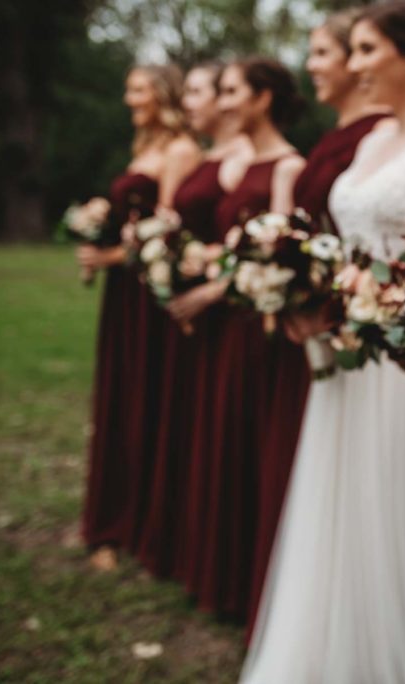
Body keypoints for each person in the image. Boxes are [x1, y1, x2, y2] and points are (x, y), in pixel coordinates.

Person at [241, 2, 405, 681]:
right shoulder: (372, 141)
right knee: (336, 499)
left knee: (392, 501)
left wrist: (395, 310)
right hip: (352, 352)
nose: (353, 65)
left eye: (366, 50)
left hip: (403, 362)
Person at [247, 9, 390, 634]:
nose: (314, 65)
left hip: (359, 319)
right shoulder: (335, 138)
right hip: (318, 316)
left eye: (323, 52)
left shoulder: (379, 135)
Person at [183, 57, 305, 620]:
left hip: (263, 330)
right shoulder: (239, 165)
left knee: (257, 443)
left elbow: (279, 260)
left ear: (263, 98)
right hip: (228, 328)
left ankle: (258, 584)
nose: (225, 102)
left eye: (232, 91)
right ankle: (221, 574)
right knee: (223, 437)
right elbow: (233, 243)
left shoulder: (286, 167)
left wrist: (212, 290)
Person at [136, 61, 254, 580]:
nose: (191, 104)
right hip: (188, 304)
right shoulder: (210, 155)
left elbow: (243, 239)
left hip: (222, 310)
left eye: (203, 92)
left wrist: (206, 267)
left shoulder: (244, 159)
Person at [80, 64, 198, 570]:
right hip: (124, 295)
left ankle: (146, 523)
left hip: (150, 294)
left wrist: (109, 257)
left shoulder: (179, 150)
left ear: (163, 95)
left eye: (138, 90)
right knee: (120, 397)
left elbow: (165, 231)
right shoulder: (143, 149)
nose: (130, 99)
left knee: (146, 396)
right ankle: (115, 519)